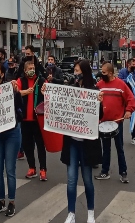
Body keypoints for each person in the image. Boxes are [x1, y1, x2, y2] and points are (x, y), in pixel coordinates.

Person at [54, 60, 103, 223]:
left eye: (77, 70)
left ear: (85, 72)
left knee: (87, 180)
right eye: (74, 70)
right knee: (71, 179)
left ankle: (90, 212)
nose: (75, 73)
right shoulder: (72, 89)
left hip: (87, 143)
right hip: (72, 142)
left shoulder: (94, 91)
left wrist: (100, 102)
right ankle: (71, 213)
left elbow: (100, 115)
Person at [0, 62, 22, 217]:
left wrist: (16, 92)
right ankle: (1, 200)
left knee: (10, 170)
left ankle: (12, 202)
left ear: (2, 74)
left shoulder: (11, 88)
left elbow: (19, 107)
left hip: (11, 134)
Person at [95, 62, 135, 183]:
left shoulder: (120, 84)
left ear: (111, 73)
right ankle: (104, 171)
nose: (101, 74)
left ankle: (123, 172)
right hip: (103, 123)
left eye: (104, 72)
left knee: (119, 148)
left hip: (117, 123)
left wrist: (128, 111)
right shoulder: (99, 85)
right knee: (106, 149)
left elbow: (131, 99)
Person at [17, 59, 48, 181]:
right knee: (27, 145)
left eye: (33, 68)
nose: (32, 70)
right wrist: (24, 92)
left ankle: (43, 169)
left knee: (40, 145)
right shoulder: (21, 81)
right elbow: (15, 93)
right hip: (25, 119)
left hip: (38, 120)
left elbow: (49, 93)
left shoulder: (40, 81)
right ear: (25, 70)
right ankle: (32, 167)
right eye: (29, 69)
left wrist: (45, 92)